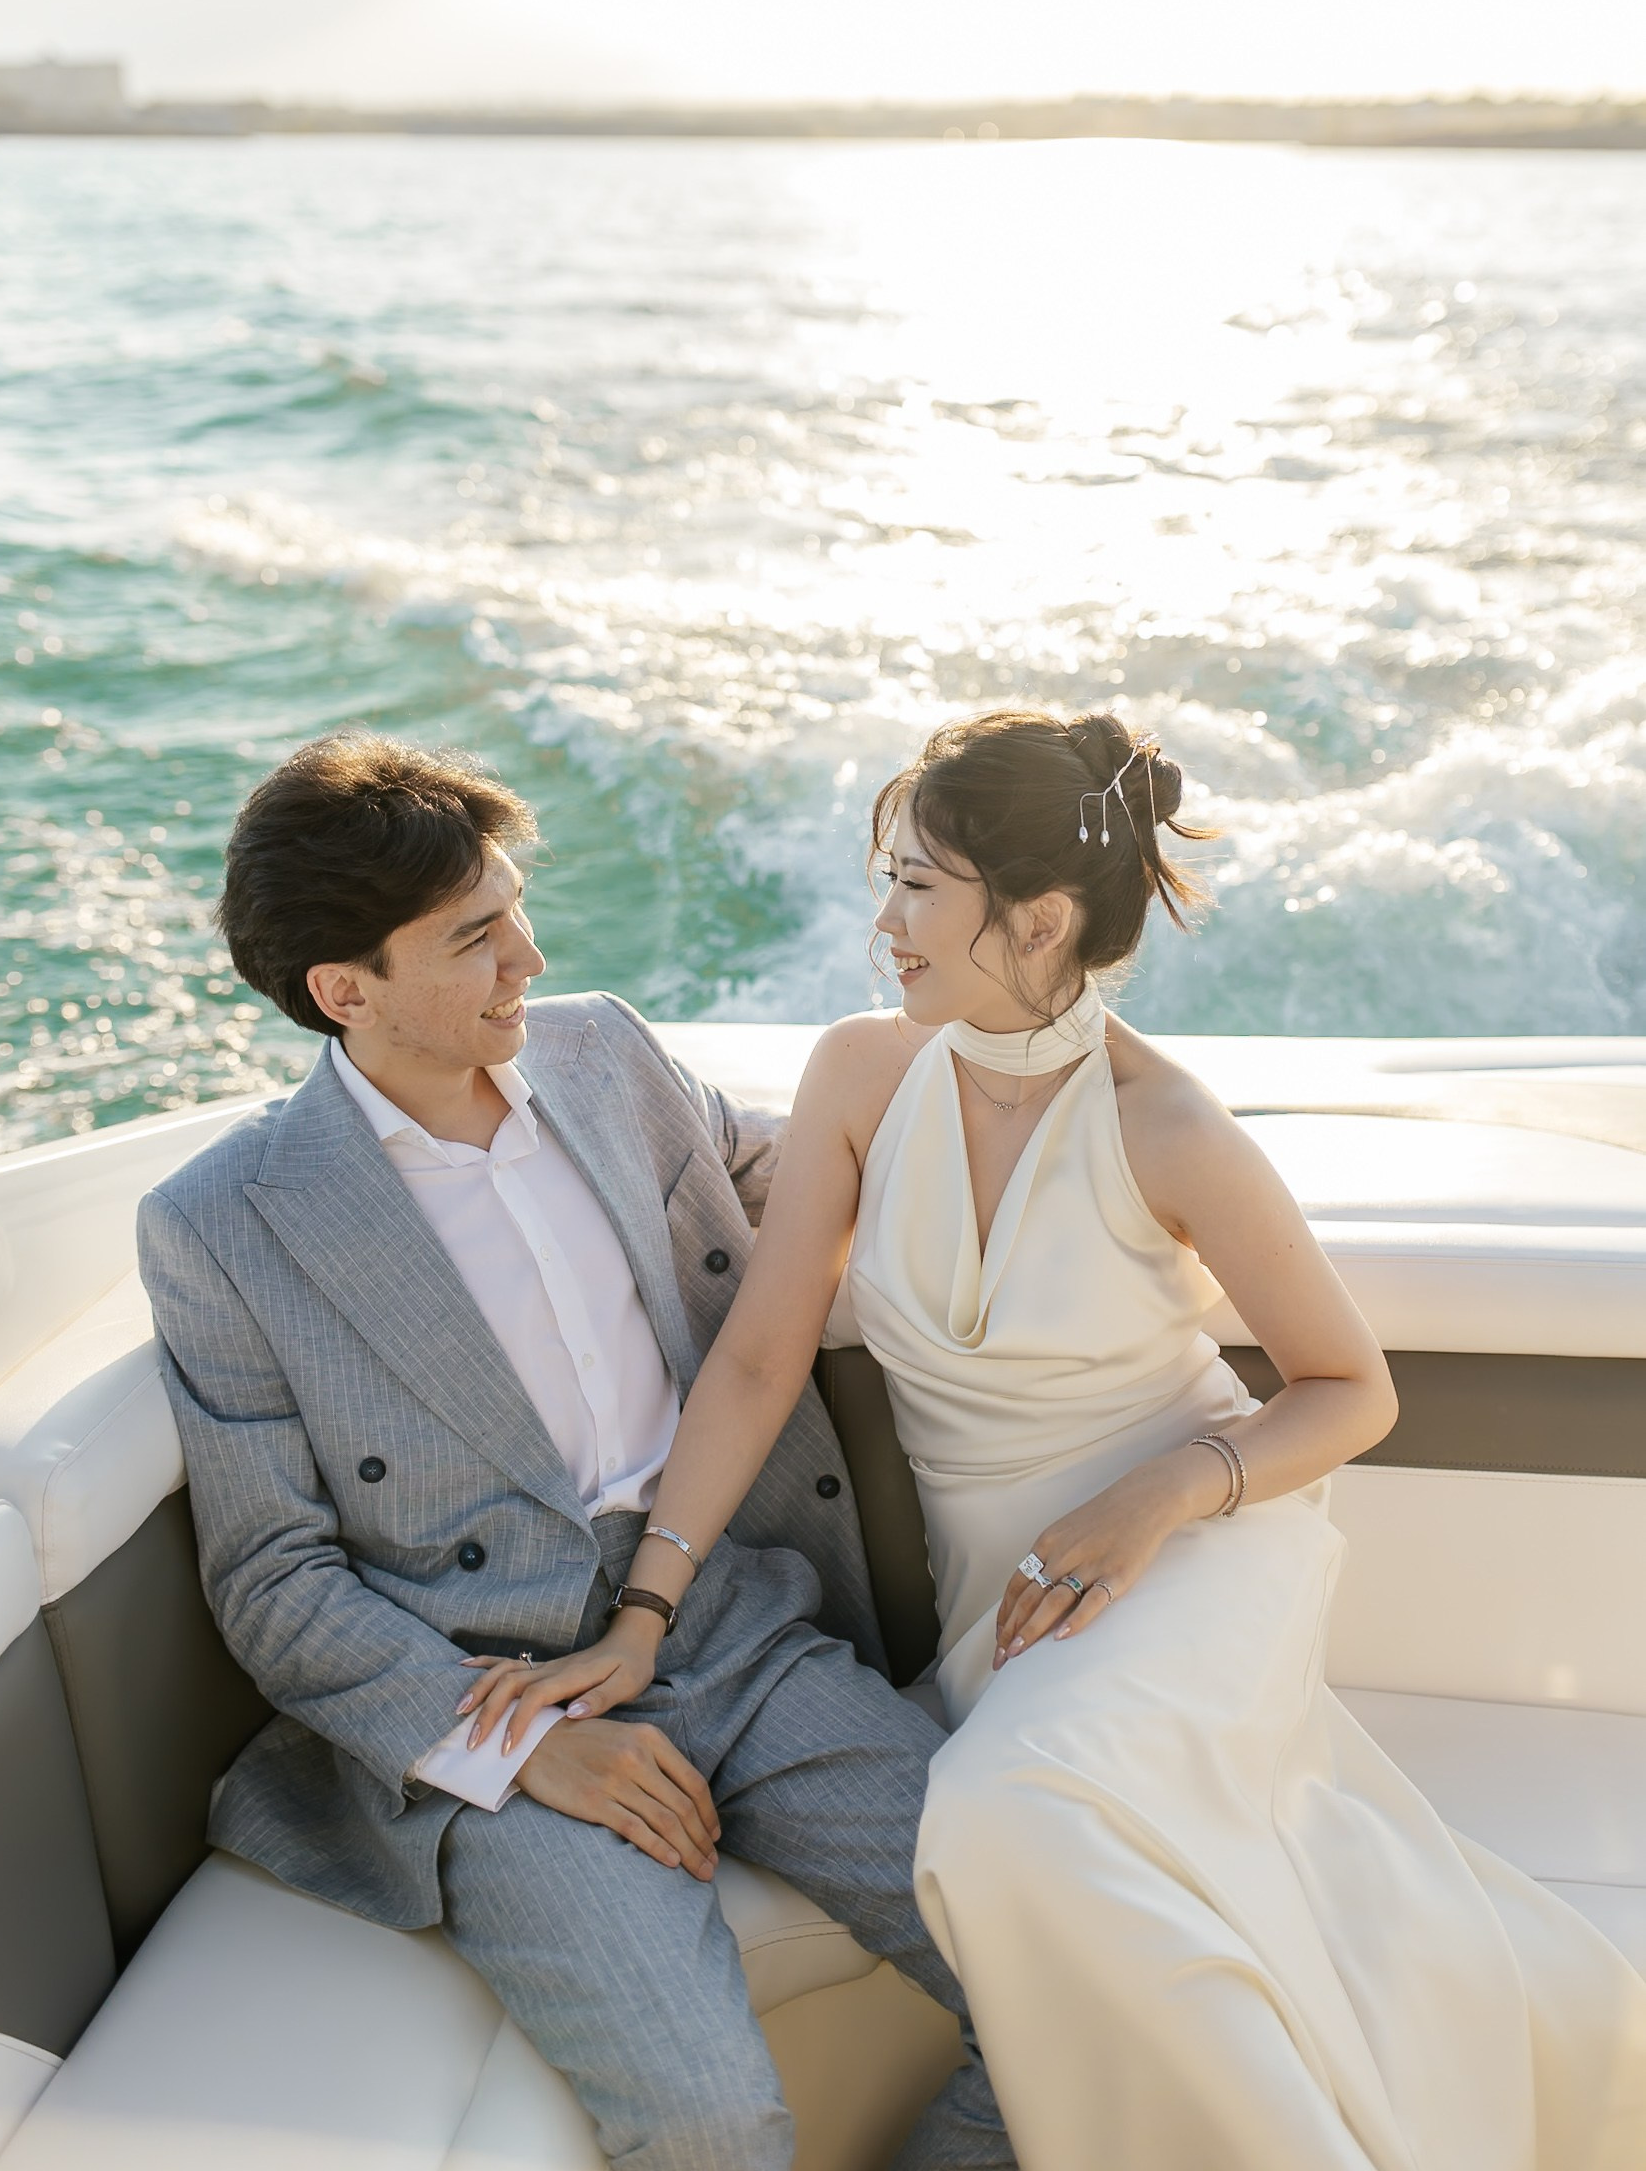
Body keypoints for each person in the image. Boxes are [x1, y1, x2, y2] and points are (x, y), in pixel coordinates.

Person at [476, 707, 1646, 2171]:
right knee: (1050, 1836)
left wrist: (1158, 1499)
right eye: (889, 882)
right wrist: (646, 1607)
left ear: (1035, 921)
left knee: (1002, 1811)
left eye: (919, 889)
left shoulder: (1170, 1128)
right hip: (1010, 1596)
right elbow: (762, 1358)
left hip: (1192, 1552)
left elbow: (1352, 1387)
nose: (883, 925)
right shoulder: (864, 1075)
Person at [137, 730, 1012, 2171]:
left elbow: (787, 1172)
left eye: (517, 909)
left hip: (735, 1620)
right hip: (496, 1688)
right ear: (346, 992)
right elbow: (273, 1580)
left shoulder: (605, 1051)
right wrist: (533, 1750)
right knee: (710, 2119)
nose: (529, 960)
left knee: (1054, 1955)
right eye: (474, 938)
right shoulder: (223, 1223)